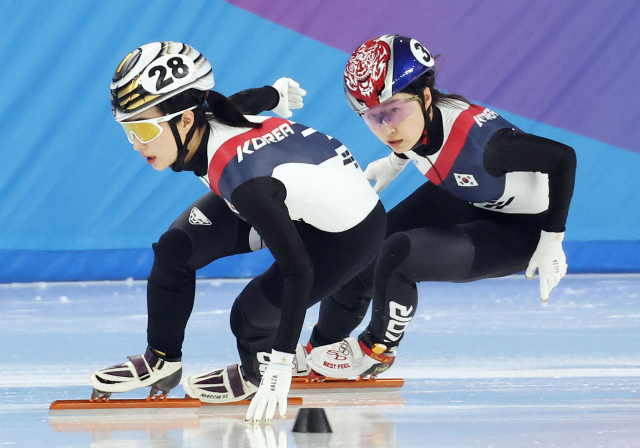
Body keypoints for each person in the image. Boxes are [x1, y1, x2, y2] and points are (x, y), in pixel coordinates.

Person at [90, 41, 386, 423]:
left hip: (347, 235)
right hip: (291, 197)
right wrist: (276, 93)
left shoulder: (242, 179)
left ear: (184, 121)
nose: (136, 144)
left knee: (249, 318)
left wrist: (280, 363)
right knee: (174, 249)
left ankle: (257, 371)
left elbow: (299, 269)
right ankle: (161, 359)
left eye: (144, 129)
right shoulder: (209, 113)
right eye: (128, 130)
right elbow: (247, 99)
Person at [307, 34, 576, 378]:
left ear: (427, 96)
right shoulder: (417, 121)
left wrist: (552, 239)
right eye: (374, 117)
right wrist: (395, 160)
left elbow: (563, 158)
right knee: (366, 243)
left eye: (394, 111)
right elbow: (414, 133)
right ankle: (321, 346)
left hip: (523, 230)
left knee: (398, 253)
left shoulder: (487, 146)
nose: (388, 127)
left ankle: (376, 352)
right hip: (470, 197)